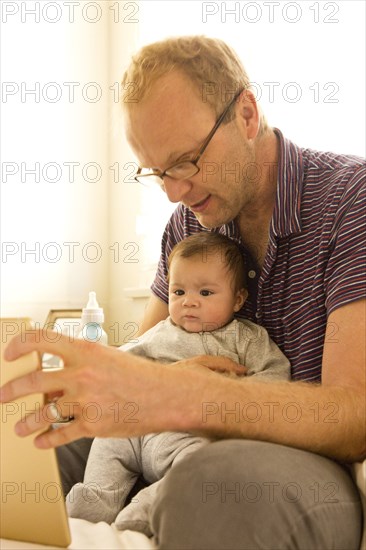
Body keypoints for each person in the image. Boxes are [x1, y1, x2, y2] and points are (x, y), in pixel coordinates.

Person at [1, 36, 364, 549]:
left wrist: (182, 396)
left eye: (187, 160)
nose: (174, 191)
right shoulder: (188, 224)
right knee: (27, 448)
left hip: (307, 464)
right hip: (170, 447)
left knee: (212, 481)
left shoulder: (351, 201)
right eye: (157, 172)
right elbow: (146, 365)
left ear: (246, 114)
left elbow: (354, 416)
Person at [66, 232, 290, 536]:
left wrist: (238, 393)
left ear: (238, 299)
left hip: (188, 436)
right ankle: (92, 502)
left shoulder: (246, 338)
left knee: (199, 463)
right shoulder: (161, 331)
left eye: (206, 294)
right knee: (108, 440)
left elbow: (276, 376)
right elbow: (122, 365)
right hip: (138, 426)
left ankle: (148, 507)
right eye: (179, 292)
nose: (189, 303)